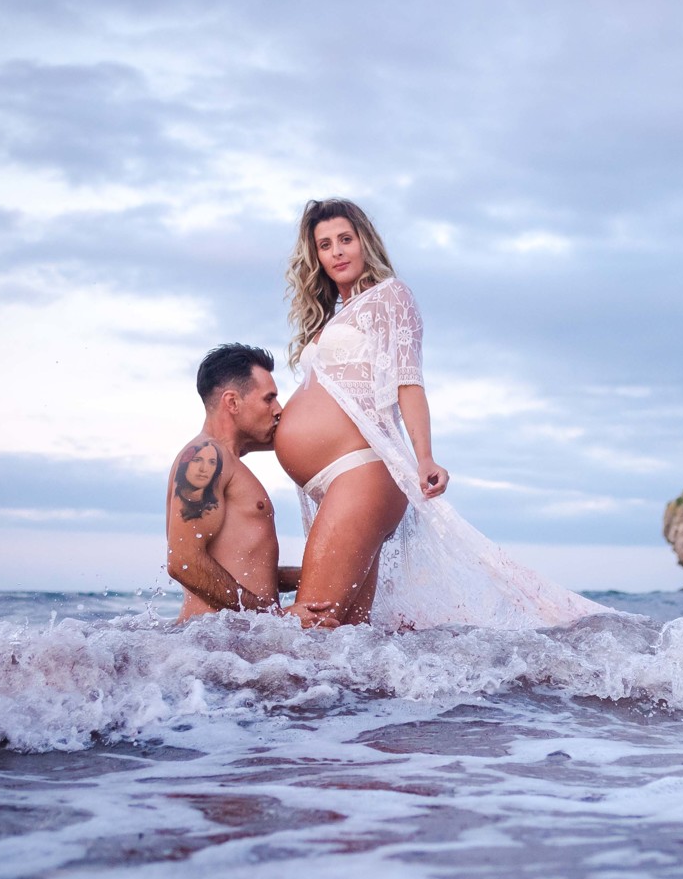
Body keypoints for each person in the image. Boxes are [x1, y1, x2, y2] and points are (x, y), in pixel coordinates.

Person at [273, 198, 609, 629]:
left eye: (345, 239)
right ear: (315, 257)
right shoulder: (335, 317)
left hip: (362, 471)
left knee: (308, 622)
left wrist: (425, 456)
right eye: (324, 245)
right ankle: (353, 700)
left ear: (365, 243)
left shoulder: (389, 297)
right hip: (338, 482)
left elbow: (408, 381)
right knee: (344, 636)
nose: (336, 251)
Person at [165, 343, 304, 620]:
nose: (278, 410)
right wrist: (275, 617)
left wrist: (312, 576)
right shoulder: (206, 457)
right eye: (269, 399)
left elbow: (245, 571)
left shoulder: (226, 461)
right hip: (208, 645)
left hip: (227, 645)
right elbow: (183, 562)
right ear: (232, 402)